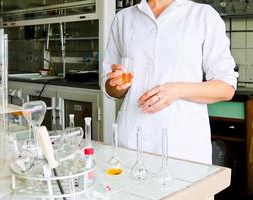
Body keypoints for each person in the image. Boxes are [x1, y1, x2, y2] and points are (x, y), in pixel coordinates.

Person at [102, 0, 238, 164]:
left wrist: (177, 90)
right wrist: (117, 83)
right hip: (131, 141)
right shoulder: (123, 18)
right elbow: (110, 88)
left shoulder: (203, 15)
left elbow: (226, 88)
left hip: (182, 146)